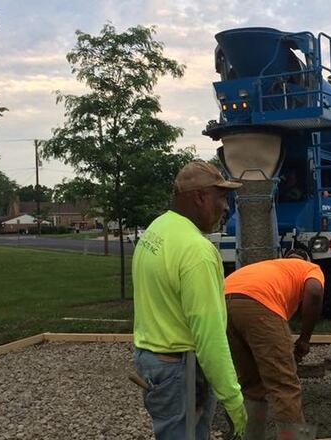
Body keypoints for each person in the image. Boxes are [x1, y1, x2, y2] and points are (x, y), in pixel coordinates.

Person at [132, 160, 247, 440]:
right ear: (200, 197)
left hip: (152, 361)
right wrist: (233, 401)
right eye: (222, 196)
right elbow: (209, 337)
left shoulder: (155, 231)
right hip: (180, 371)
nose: (227, 207)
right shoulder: (197, 251)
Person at [224, 250, 325, 439]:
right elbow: (315, 291)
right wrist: (304, 338)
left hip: (224, 303)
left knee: (251, 385)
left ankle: (249, 436)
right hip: (259, 304)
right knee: (284, 386)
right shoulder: (310, 268)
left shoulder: (271, 267)